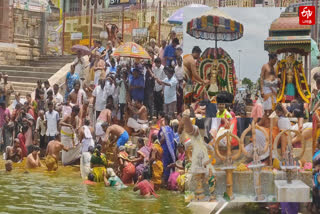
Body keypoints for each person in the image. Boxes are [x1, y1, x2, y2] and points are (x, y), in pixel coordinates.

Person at [158, 116, 176, 185]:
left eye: (162, 121)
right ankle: (168, 180)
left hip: (164, 150)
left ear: (165, 121)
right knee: (169, 164)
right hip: (170, 150)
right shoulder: (170, 129)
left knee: (165, 164)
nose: (161, 122)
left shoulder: (164, 129)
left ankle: (164, 181)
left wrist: (158, 143)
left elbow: (162, 139)